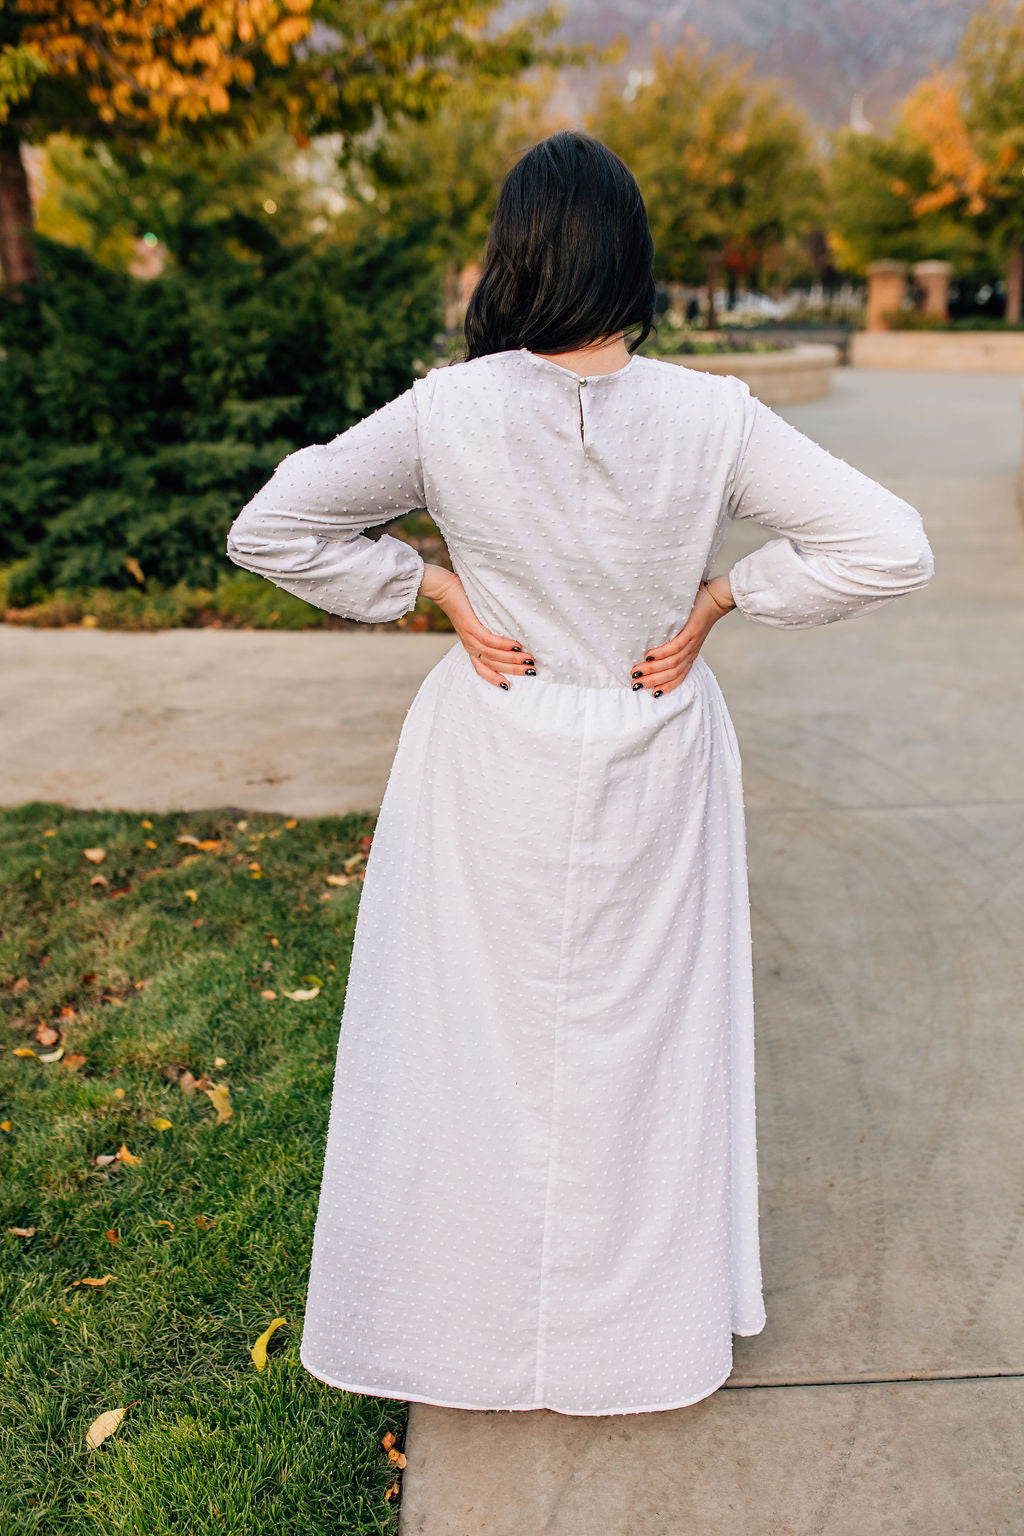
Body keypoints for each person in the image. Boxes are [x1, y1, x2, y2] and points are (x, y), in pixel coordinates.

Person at [225, 130, 934, 1416]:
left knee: (471, 1043)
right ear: (632, 255)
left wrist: (424, 584)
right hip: (651, 745)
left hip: (495, 744)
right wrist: (727, 593)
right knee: (643, 1052)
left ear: (514, 255)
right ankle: (632, 1336)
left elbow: (272, 525)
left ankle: (470, 1326)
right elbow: (887, 545)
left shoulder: (450, 409)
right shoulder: (711, 413)